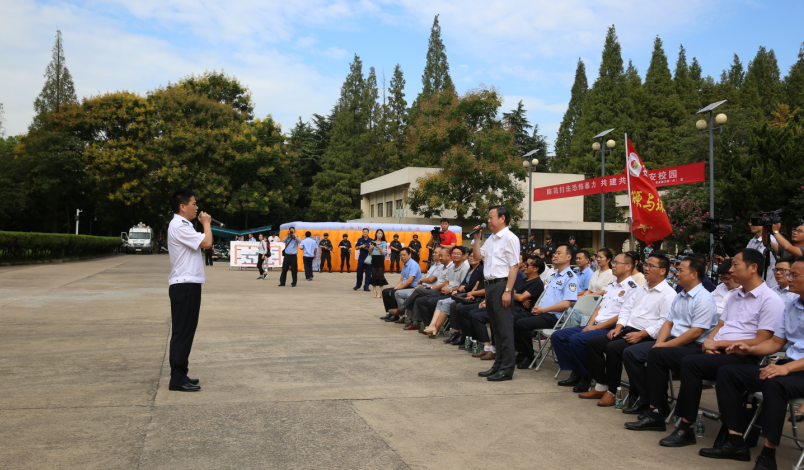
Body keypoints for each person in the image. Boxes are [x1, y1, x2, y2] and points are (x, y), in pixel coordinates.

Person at [627, 249, 784, 448]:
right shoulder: (735, 296)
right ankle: (656, 412)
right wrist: (709, 343)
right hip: (717, 349)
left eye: (735, 264)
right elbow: (720, 326)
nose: (730, 269)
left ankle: (686, 427)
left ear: (753, 268)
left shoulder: (770, 300)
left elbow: (762, 339)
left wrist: (717, 344)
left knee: (691, 363)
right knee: (657, 354)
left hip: (742, 354)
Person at [698, 256, 804, 469]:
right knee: (729, 372)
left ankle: (768, 455)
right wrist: (750, 349)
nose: (789, 278)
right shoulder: (792, 305)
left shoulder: (775, 300)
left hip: (794, 370)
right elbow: (775, 342)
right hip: (789, 366)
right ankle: (735, 441)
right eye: (789, 274)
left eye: (794, 275)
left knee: (774, 383)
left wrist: (785, 368)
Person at [621, 256, 719, 432]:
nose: (677, 273)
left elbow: (695, 333)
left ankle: (656, 412)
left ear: (694, 274)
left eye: (680, 270)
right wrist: (659, 343)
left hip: (693, 346)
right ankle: (653, 404)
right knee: (633, 352)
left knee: (657, 354)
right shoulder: (681, 295)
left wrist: (664, 346)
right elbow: (668, 323)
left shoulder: (704, 298)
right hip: (674, 342)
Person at [584, 254, 677, 407]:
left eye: (651, 266)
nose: (646, 268)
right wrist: (618, 327)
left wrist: (642, 334)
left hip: (648, 336)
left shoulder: (669, 294)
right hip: (628, 330)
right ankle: (601, 386)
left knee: (614, 348)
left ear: (663, 271)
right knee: (594, 343)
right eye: (646, 265)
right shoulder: (641, 289)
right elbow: (626, 309)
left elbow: (664, 322)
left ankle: (615, 391)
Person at [552, 253, 639, 393]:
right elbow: (599, 308)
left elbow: (622, 315)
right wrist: (591, 325)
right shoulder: (612, 285)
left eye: (617, 263)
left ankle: (587, 377)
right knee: (558, 336)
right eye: (613, 262)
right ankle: (578, 371)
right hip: (596, 325)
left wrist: (595, 327)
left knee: (576, 340)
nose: (613, 265)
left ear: (628, 266)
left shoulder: (632, 288)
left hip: (611, 328)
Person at [166, 188, 213, 392]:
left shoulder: (183, 225)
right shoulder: (180, 225)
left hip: (188, 283)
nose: (197, 207)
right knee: (183, 331)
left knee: (186, 330)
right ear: (182, 207)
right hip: (184, 284)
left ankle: (181, 373)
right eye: (193, 203)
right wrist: (206, 224)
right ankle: (177, 378)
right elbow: (207, 243)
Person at [472, 205, 521, 381]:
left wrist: (508, 291)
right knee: (495, 328)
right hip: (490, 286)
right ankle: (498, 364)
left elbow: (514, 266)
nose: (488, 221)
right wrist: (477, 239)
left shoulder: (510, 238)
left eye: (491, 217)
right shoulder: (491, 239)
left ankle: (507, 368)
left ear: (502, 218)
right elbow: (477, 257)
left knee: (505, 329)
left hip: (502, 285)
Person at [513, 244, 578, 368]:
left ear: (568, 257)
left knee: (522, 323)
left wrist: (543, 310)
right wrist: (538, 307)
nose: (555, 255)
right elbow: (547, 297)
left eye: (559, 253)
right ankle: (522, 352)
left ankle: (530, 357)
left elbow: (566, 304)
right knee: (513, 317)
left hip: (554, 316)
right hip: (542, 312)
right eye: (555, 253)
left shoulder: (571, 277)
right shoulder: (554, 276)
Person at [386, 248, 447, 323]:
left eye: (436, 253)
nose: (433, 254)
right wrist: (420, 283)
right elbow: (425, 277)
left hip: (428, 288)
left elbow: (431, 280)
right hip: (423, 286)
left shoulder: (442, 266)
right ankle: (404, 314)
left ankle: (406, 314)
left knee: (413, 296)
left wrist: (422, 282)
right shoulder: (434, 265)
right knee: (396, 292)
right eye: (401, 255)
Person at [380, 247, 421, 316]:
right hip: (406, 285)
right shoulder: (404, 265)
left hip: (412, 287)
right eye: (401, 255)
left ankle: (396, 315)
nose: (402, 257)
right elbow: (401, 280)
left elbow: (409, 281)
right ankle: (390, 313)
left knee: (393, 292)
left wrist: (396, 290)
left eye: (404, 255)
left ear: (409, 255)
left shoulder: (413, 265)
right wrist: (395, 288)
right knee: (385, 292)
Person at [748, 221, 778, 288]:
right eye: (749, 222)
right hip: (755, 282)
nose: (750, 224)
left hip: (768, 282)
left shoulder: (771, 240)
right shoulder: (752, 241)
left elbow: (762, 261)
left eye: (754, 221)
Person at [369, 229, 389, 298]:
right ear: (376, 234)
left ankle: (380, 292)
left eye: (381, 233)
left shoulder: (384, 242)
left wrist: (378, 247)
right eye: (379, 233)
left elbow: (383, 253)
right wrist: (370, 248)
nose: (380, 235)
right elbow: (370, 253)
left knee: (381, 275)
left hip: (380, 259)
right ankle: (374, 292)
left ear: (382, 235)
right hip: (373, 259)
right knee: (374, 275)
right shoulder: (372, 242)